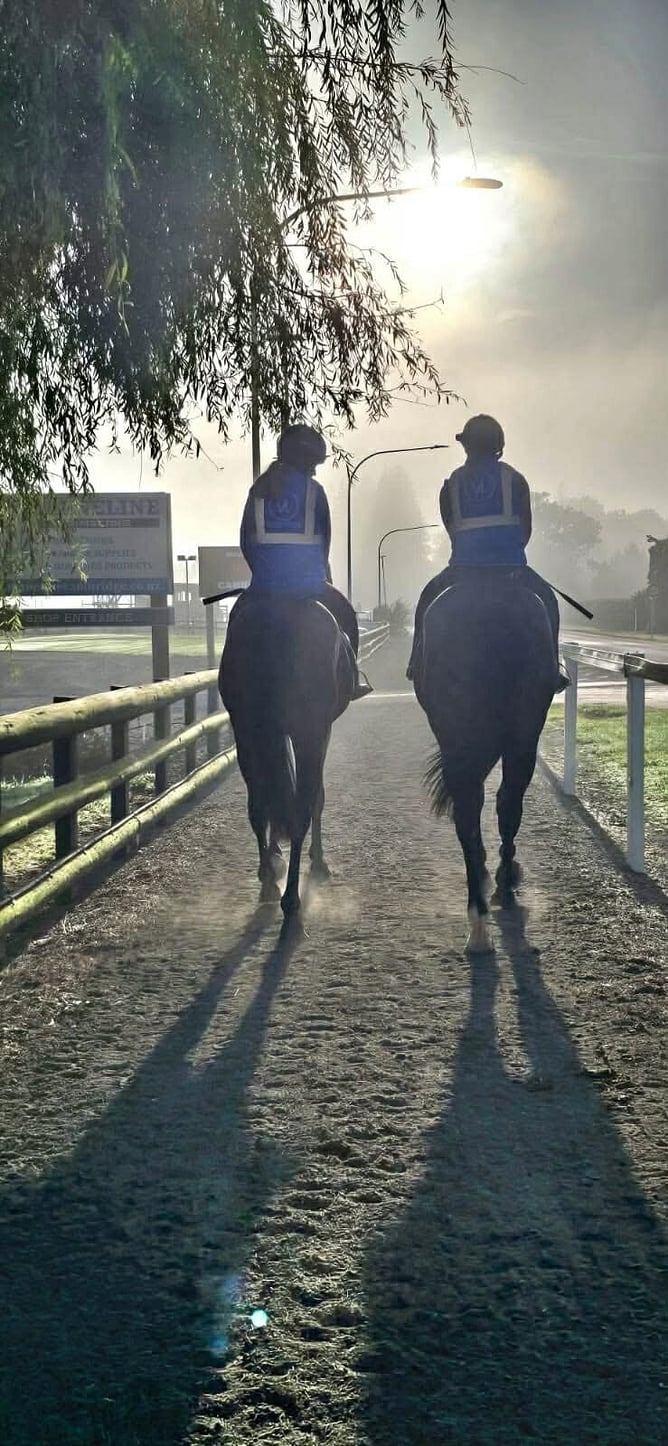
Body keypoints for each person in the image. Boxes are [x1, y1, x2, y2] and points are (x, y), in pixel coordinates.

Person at [407, 414, 568, 689]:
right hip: (511, 569)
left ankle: (416, 663)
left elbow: (451, 529)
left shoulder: (450, 485)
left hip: (463, 571)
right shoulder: (515, 481)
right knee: (548, 603)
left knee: (426, 602)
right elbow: (526, 530)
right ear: (499, 445)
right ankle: (553, 670)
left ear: (466, 446)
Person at [231, 422, 372, 699]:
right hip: (309, 587)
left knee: (236, 623)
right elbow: (324, 546)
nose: (315, 471)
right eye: (314, 464)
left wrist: (264, 576)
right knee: (346, 616)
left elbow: (246, 543)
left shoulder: (257, 491)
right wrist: (322, 578)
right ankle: (353, 680)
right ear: (306, 460)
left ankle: (230, 685)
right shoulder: (315, 492)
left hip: (262, 589)